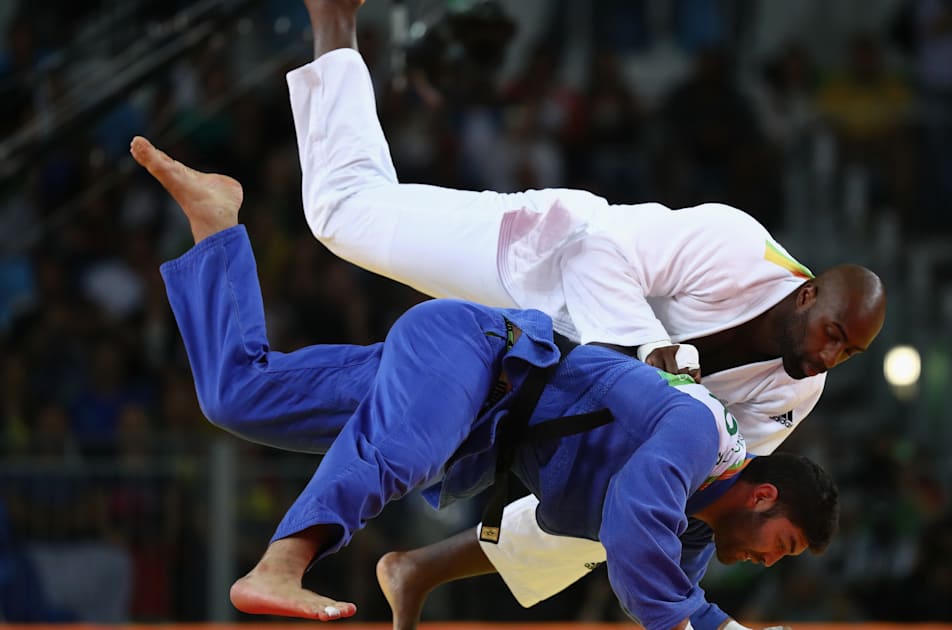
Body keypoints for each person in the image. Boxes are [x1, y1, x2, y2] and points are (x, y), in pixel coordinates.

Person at [131, 134, 838, 630]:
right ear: (765, 493)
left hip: (475, 419)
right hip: (475, 355)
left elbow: (645, 579)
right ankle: (285, 562)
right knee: (405, 450)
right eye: (787, 544)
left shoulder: (688, 538)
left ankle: (215, 223)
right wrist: (712, 625)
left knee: (239, 397)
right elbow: (632, 526)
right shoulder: (699, 431)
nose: (772, 562)